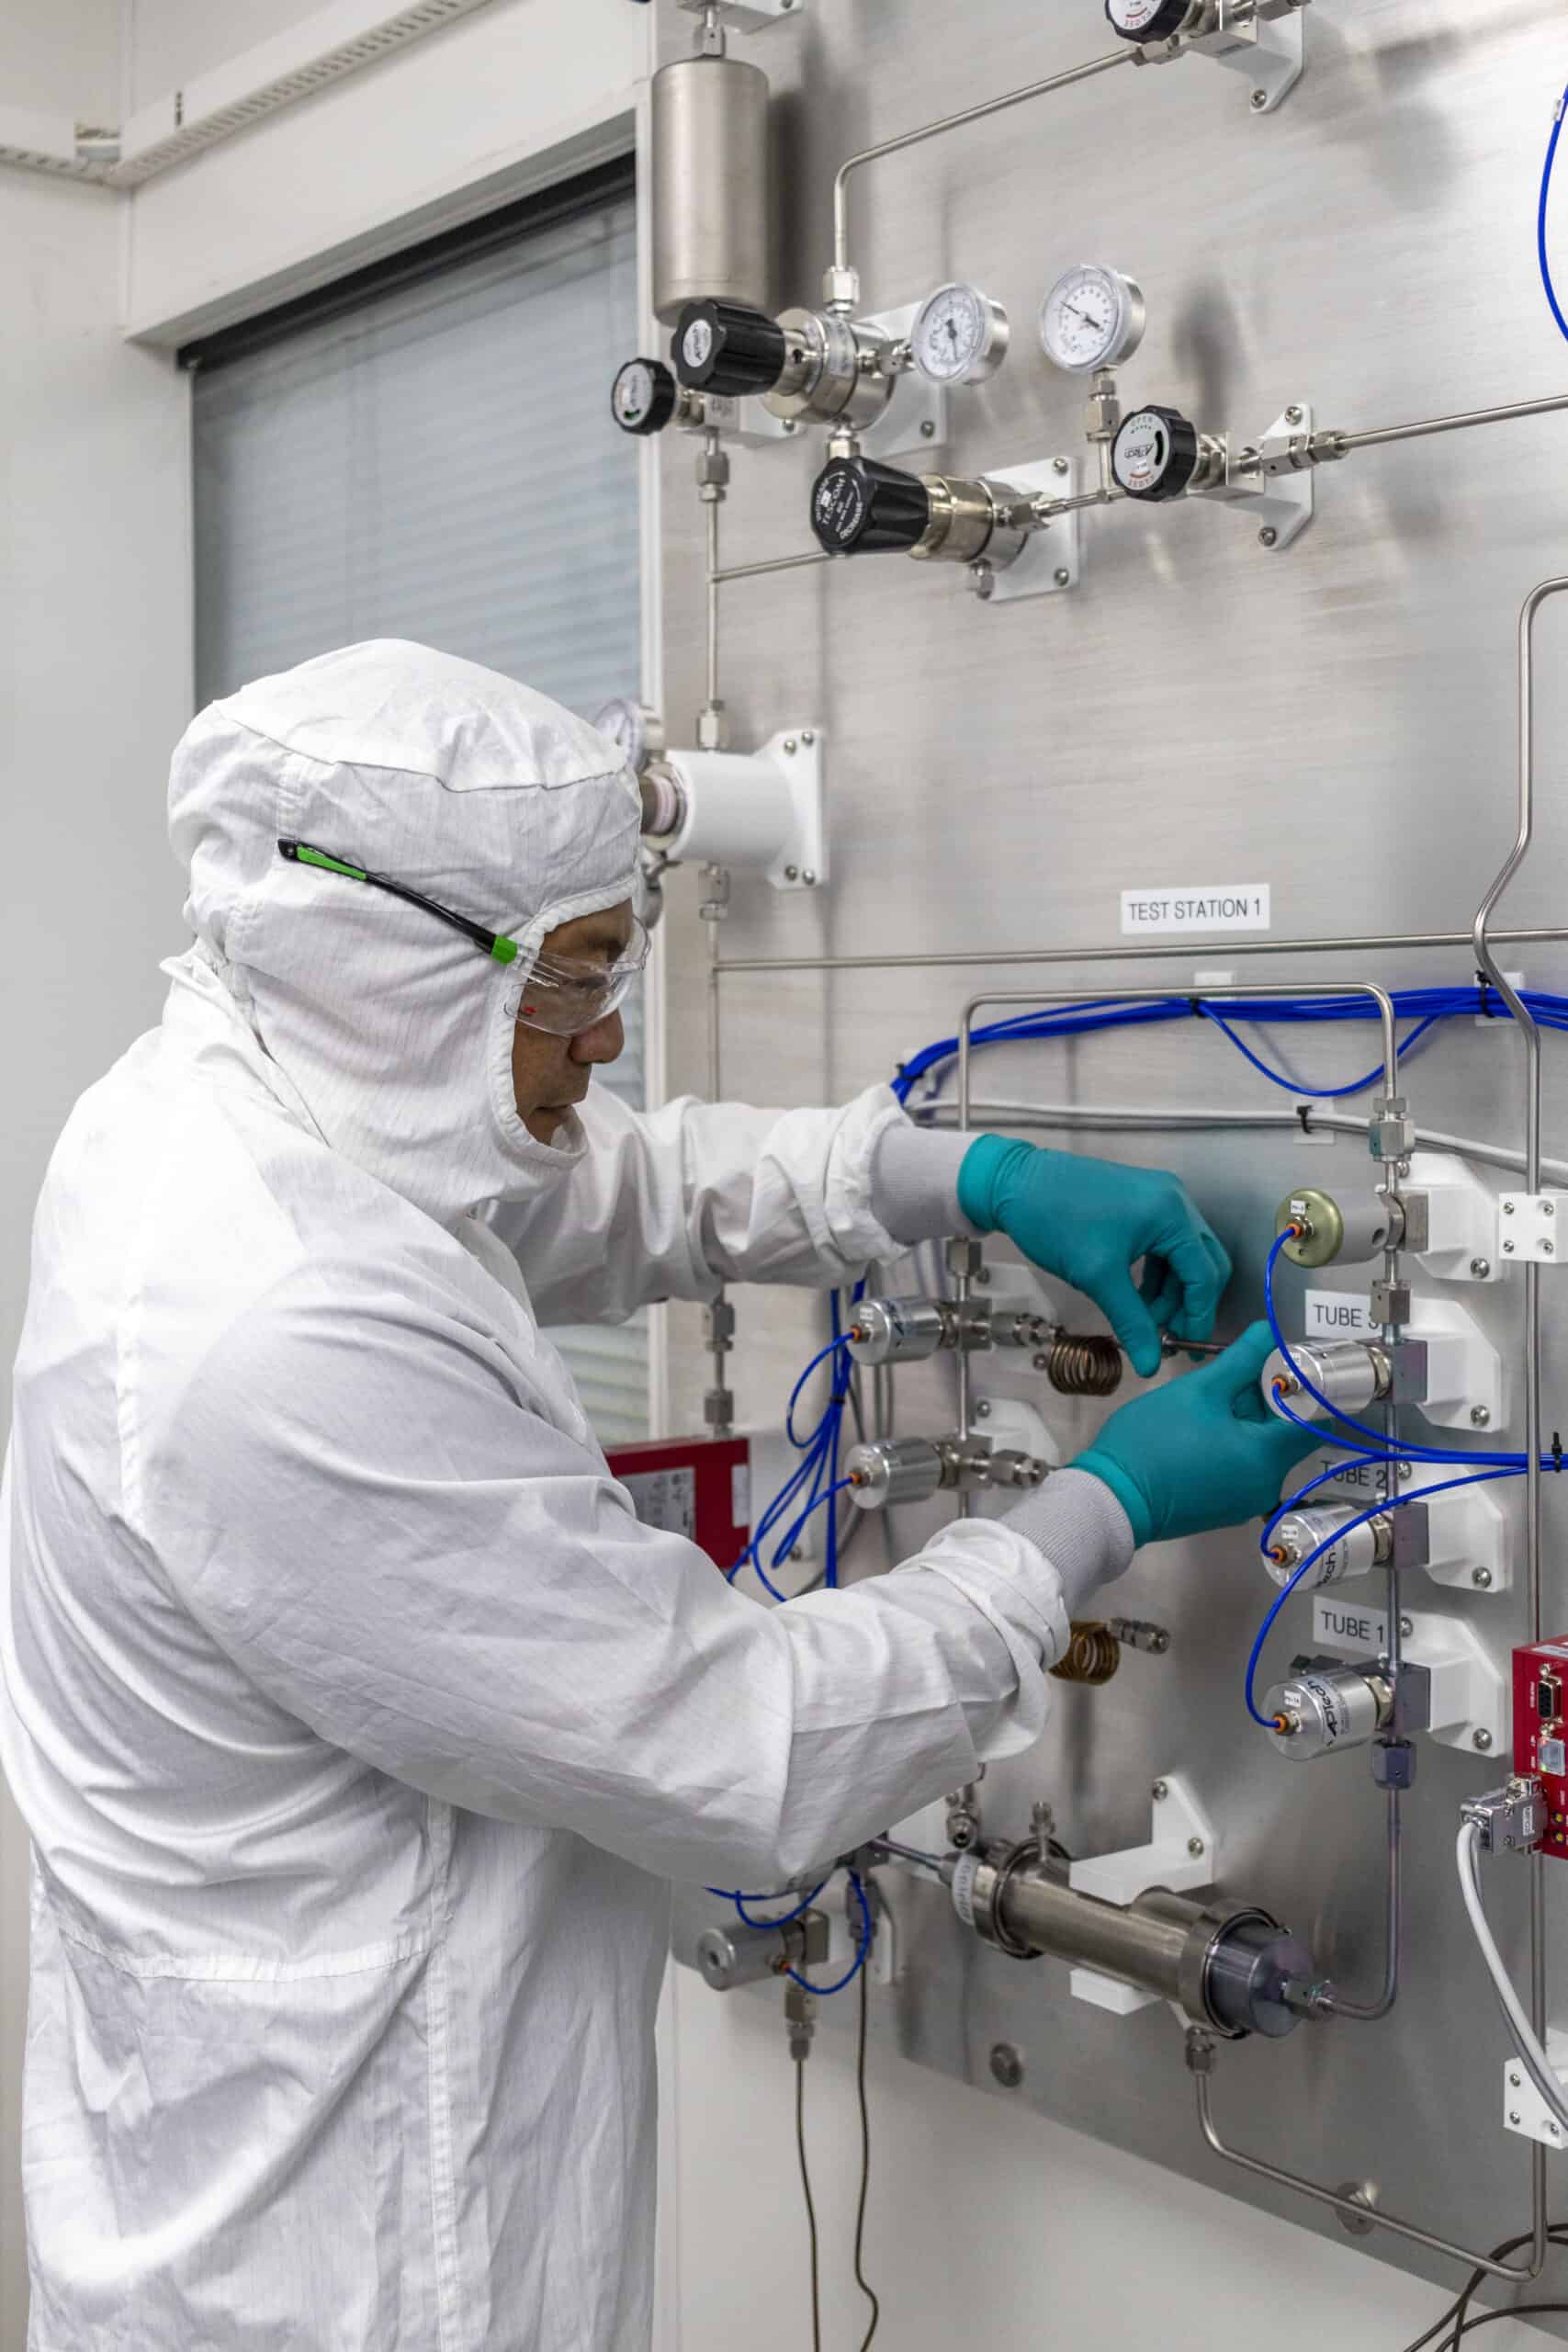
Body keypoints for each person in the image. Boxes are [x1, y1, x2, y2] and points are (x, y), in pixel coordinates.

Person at [0, 641, 1317, 2351]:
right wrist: (1108, 1503)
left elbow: (607, 1179)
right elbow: (746, 1752)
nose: (607, 1032)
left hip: (320, 2137)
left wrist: (955, 1176)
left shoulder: (257, 1095)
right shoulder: (268, 1325)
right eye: (575, 978)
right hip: (347, 2258)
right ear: (394, 962)